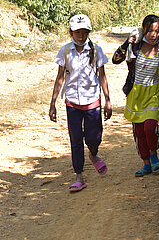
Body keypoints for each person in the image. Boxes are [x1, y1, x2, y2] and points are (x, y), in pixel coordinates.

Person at [112, 14, 159, 177]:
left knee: (150, 127)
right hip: (136, 95)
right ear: (143, 30)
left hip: (154, 94)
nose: (154, 34)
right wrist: (128, 42)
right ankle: (146, 163)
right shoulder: (135, 48)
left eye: (157, 31)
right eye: (150, 31)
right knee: (139, 132)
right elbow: (115, 59)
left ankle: (153, 154)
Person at [49, 14, 112, 192]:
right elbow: (60, 77)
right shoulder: (65, 51)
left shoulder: (96, 50)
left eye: (85, 32)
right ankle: (79, 176)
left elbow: (102, 75)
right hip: (72, 102)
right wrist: (53, 102)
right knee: (75, 139)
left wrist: (107, 100)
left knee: (94, 137)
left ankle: (93, 154)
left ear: (89, 32)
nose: (81, 36)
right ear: (71, 32)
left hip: (92, 100)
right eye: (77, 32)